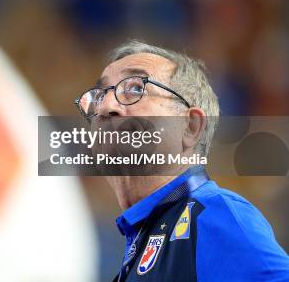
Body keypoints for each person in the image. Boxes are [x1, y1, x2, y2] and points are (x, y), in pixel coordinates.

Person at [75, 39, 289, 281]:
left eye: (135, 88)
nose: (105, 106)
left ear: (190, 126)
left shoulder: (214, 215)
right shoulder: (141, 245)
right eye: (100, 95)